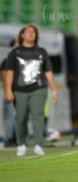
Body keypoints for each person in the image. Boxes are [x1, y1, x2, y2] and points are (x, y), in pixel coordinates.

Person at [3, 24, 58, 156]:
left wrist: (54, 90)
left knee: (38, 116)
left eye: (33, 32)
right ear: (22, 35)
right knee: (20, 118)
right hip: (20, 90)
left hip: (38, 89)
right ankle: (21, 143)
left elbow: (48, 72)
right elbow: (9, 73)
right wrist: (8, 90)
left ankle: (38, 144)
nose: (31, 34)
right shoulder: (14, 53)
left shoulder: (41, 52)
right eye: (28, 32)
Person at [1, 39, 17, 148]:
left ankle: (16, 138)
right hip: (11, 92)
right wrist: (7, 91)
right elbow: (4, 77)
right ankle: (8, 138)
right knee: (10, 116)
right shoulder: (7, 61)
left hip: (20, 92)